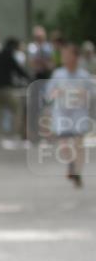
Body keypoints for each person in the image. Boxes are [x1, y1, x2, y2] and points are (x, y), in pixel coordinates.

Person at [45, 43, 93, 187]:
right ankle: (71, 164)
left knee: (78, 143)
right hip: (62, 113)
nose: (65, 57)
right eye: (64, 55)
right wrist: (55, 93)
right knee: (64, 144)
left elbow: (92, 93)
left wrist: (85, 94)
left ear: (76, 57)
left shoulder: (84, 75)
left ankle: (77, 172)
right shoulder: (58, 74)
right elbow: (48, 93)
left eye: (68, 55)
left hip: (78, 114)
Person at [0, 37, 31, 146]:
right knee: (18, 107)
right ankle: (16, 134)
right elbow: (18, 70)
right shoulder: (8, 55)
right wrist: (30, 78)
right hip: (5, 89)